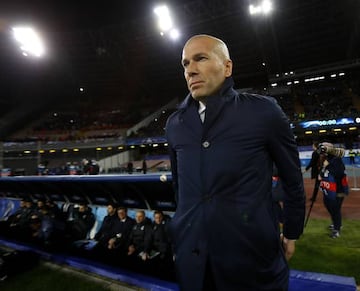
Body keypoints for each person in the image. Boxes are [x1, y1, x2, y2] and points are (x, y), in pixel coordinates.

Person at [165, 34, 305, 291]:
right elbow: (179, 188)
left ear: (227, 67)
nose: (191, 70)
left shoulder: (263, 112)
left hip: (252, 262)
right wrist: (181, 234)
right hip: (194, 263)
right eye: (185, 64)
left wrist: (292, 231)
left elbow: (292, 179)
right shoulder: (175, 124)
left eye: (200, 59)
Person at [318, 142, 348, 238]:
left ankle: (337, 229)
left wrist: (326, 168)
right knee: (329, 206)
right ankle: (336, 223)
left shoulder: (337, 159)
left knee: (335, 209)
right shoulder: (328, 159)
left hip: (338, 190)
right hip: (330, 189)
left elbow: (335, 173)